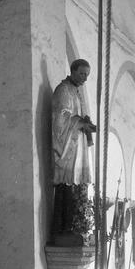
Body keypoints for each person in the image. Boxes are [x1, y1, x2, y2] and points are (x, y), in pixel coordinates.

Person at [51, 59, 96, 244]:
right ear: (73, 70)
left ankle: (71, 228)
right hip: (67, 149)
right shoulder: (63, 90)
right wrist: (80, 122)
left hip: (77, 148)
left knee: (75, 187)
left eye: (87, 75)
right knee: (65, 188)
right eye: (82, 74)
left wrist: (86, 124)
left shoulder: (76, 91)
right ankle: (63, 230)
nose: (85, 78)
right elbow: (60, 119)